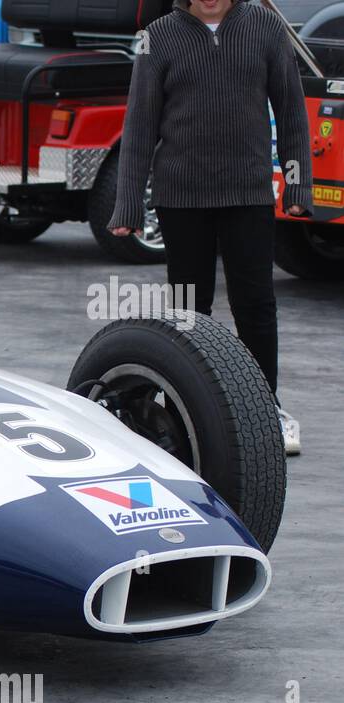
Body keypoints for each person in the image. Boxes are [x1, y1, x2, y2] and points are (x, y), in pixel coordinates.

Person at [109, 0, 312, 454]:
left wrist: (298, 188)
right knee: (189, 311)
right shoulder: (157, 37)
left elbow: (293, 113)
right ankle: (184, 413)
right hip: (181, 198)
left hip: (248, 194)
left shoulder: (265, 28)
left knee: (255, 306)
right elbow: (139, 126)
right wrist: (127, 205)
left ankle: (266, 412)